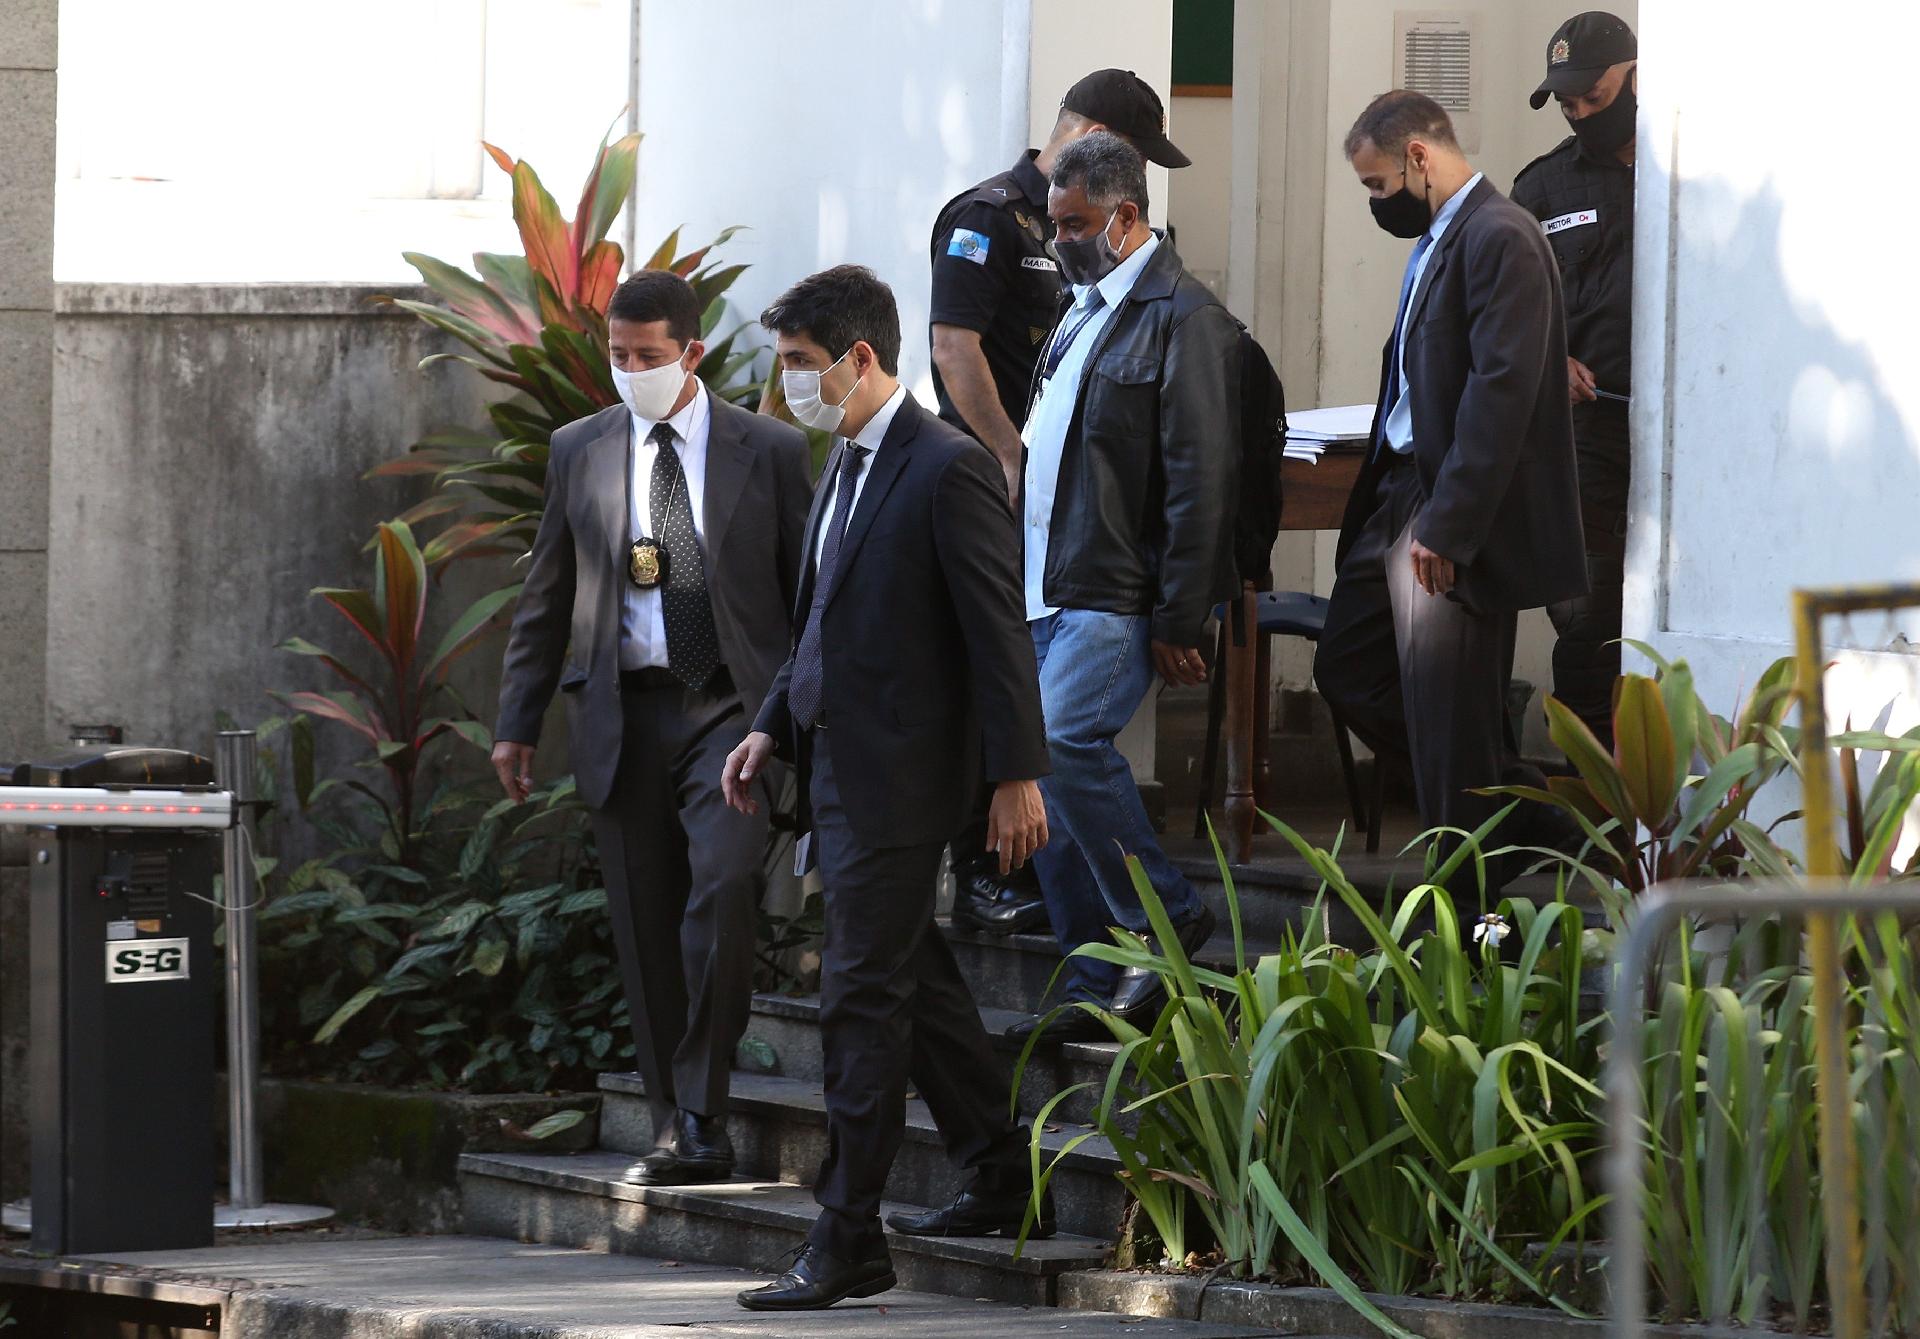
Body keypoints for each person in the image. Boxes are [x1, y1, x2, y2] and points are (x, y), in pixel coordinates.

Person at [721, 266, 1052, 1311]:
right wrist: (769, 724)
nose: (792, 388)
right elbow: (817, 618)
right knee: (919, 979)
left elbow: (998, 631)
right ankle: (999, 1170)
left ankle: (848, 1233)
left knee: (861, 998)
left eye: (804, 366)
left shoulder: (944, 466)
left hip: (905, 781)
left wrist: (1016, 774)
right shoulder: (846, 464)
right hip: (837, 768)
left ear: (862, 359)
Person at [491, 270, 811, 1186]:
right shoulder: (577, 448)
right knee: (642, 920)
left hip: (730, 713)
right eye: (618, 355)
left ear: (693, 352)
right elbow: (546, 594)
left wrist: (805, 715)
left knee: (721, 891)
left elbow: (806, 594)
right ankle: (682, 1124)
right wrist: (516, 723)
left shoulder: (771, 450)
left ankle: (705, 1104)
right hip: (620, 711)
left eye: (649, 356)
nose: (630, 371)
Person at [928, 67, 1190, 938]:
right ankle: (983, 870)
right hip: (985, 483)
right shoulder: (990, 216)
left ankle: (1086, 928)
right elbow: (954, 346)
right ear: (1078, 132)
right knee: (997, 690)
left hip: (1057, 515)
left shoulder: (1131, 281)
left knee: (1042, 718)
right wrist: (1006, 452)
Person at [1314, 91, 1586, 876]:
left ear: (1419, 159)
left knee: (1445, 720)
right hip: (1401, 495)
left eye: (1376, 185)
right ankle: (1524, 809)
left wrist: (1448, 524)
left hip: (1444, 512)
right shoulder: (1441, 236)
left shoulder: (1502, 235)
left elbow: (1501, 392)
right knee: (1351, 669)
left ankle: (1471, 910)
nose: (1376, 201)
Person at [1005, 131, 1237, 1047]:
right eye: (1053, 223)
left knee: (1063, 741)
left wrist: (1183, 613)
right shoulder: (1079, 309)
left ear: (1128, 215)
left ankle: (1167, 919)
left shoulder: (1186, 317)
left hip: (1113, 587)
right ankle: (1098, 967)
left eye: (1074, 224)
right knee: (1036, 771)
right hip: (1044, 584)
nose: (1058, 240)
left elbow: (1201, 478)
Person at [1513, 11, 1638, 748]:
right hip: (1586, 439)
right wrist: (1544, 358)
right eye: (1568, 104)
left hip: (1691, 440)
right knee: (1587, 623)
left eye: (1594, 96)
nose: (1581, 113)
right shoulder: (1543, 189)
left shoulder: (1692, 172)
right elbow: (1495, 310)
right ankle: (1589, 821)